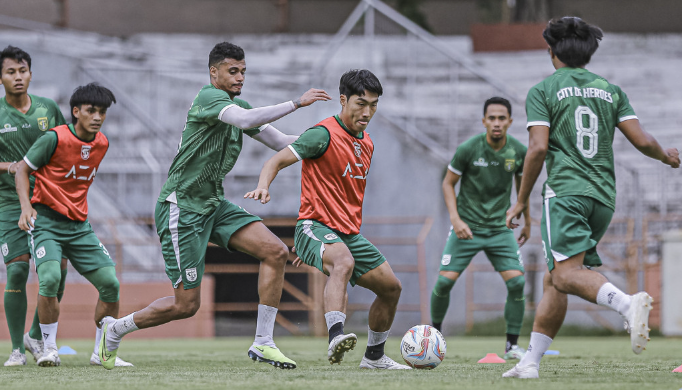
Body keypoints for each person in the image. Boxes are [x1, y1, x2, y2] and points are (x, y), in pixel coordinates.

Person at [98, 42, 330, 370]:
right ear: (214, 72)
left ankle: (263, 342)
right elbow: (245, 117)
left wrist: (329, 139)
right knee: (187, 304)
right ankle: (114, 328)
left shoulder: (240, 108)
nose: (239, 78)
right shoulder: (209, 99)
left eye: (243, 72)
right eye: (233, 71)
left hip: (213, 204)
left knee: (275, 251)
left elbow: (283, 143)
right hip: (182, 208)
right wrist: (296, 102)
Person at [502, 17, 680, 379]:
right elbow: (643, 141)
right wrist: (666, 156)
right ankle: (530, 362)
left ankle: (626, 304)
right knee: (555, 278)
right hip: (603, 198)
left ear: (550, 51)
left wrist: (520, 200)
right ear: (588, 53)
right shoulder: (611, 90)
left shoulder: (543, 90)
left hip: (567, 192)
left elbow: (536, 149)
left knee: (566, 275)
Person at [244, 69, 410, 369]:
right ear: (343, 100)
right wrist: (263, 186)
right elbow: (276, 159)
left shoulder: (367, 143)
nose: (367, 111)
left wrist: (320, 253)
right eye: (361, 103)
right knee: (343, 262)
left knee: (391, 288)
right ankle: (336, 336)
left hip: (347, 235)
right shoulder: (322, 134)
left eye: (373, 104)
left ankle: (374, 357)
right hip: (314, 226)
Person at [15, 83, 128, 367]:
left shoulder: (102, 143)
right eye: (91, 110)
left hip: (79, 226)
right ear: (76, 111)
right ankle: (49, 348)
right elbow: (22, 169)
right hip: (47, 223)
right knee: (51, 278)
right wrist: (26, 207)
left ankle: (102, 352)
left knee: (110, 285)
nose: (98, 116)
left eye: (102, 111)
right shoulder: (54, 138)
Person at [0, 45, 70, 366]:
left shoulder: (49, 108)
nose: (18, 77)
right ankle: (16, 349)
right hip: (12, 204)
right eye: (10, 72)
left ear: (30, 74)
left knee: (59, 270)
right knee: (17, 271)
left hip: (50, 202)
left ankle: (36, 336)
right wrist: (11, 166)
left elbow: (65, 148)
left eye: (23, 71)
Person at [431, 97, 529, 360]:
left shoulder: (518, 151)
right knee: (443, 283)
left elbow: (523, 189)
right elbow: (447, 184)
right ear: (484, 121)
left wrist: (527, 220)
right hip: (467, 228)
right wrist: (455, 219)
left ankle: (511, 346)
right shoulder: (468, 149)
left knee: (518, 283)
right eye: (492, 118)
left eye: (502, 118)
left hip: (499, 229)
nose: (497, 123)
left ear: (510, 121)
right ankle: (434, 338)